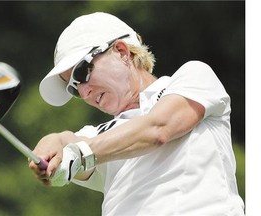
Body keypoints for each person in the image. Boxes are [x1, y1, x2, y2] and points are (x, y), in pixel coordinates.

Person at [29, 12, 245, 215]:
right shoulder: (99, 136)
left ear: (122, 52)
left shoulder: (193, 77)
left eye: (82, 72)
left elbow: (158, 129)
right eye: (73, 88)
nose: (84, 93)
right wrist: (55, 141)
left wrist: (79, 153)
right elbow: (71, 141)